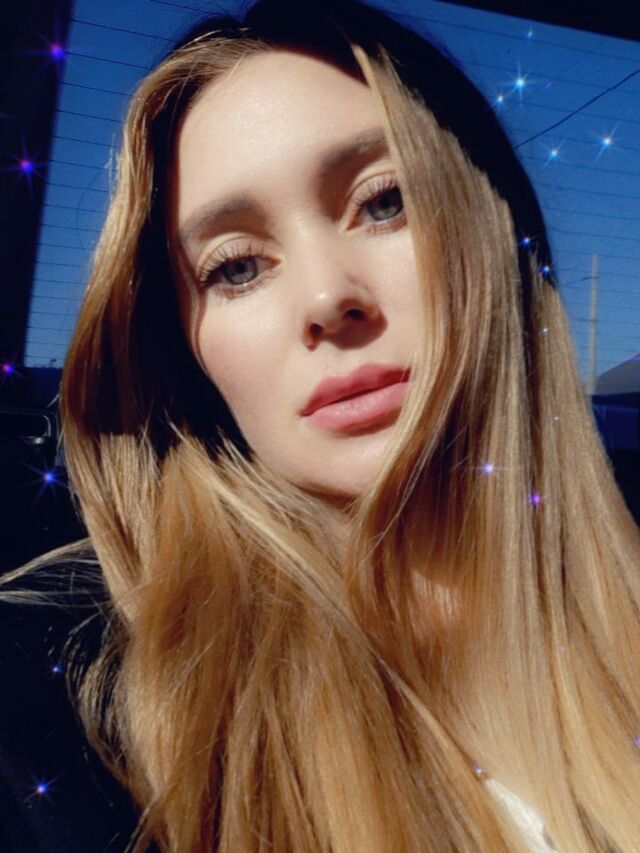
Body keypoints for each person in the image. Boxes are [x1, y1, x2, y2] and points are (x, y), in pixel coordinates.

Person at [2, 0, 640, 849]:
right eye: (235, 267)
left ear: (498, 234)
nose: (327, 297)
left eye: (384, 202)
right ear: (184, 354)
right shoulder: (49, 719)